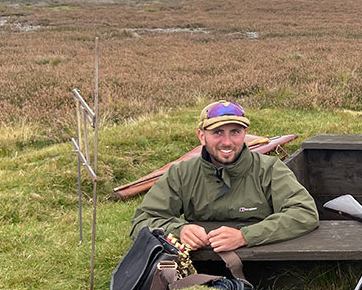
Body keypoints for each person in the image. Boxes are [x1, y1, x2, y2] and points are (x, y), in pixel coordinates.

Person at [130, 100, 318, 252]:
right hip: (199, 266)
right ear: (202, 136)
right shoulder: (180, 173)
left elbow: (304, 213)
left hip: (267, 264)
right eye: (218, 133)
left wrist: (245, 236)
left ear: (245, 134)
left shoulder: (270, 169)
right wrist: (180, 230)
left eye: (235, 132)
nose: (227, 142)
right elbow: (142, 220)